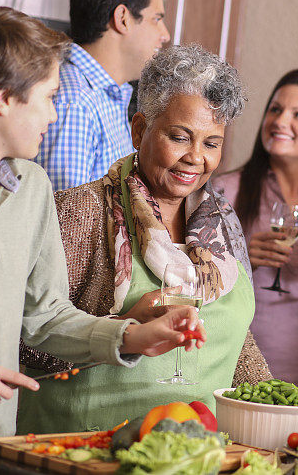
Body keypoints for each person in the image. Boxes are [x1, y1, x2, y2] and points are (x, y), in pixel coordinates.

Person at [0, 2, 202, 458]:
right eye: (48, 97)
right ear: (3, 98)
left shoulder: (31, 189)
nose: (54, 116)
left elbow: (45, 318)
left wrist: (131, 335)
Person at [18, 44, 270, 433]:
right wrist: (126, 326)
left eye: (211, 143)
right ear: (139, 130)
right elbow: (25, 341)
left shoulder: (223, 224)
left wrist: (277, 406)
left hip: (192, 450)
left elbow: (236, 337)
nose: (196, 157)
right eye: (179, 137)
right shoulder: (80, 211)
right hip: (85, 448)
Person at [213, 69, 298, 389]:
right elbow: (189, 285)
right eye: (275, 109)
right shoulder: (224, 192)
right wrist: (242, 261)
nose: (280, 121)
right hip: (235, 375)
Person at [35, 0, 170, 191]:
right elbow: (67, 222)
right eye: (156, 19)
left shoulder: (106, 94)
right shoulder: (75, 102)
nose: (165, 35)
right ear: (123, 18)